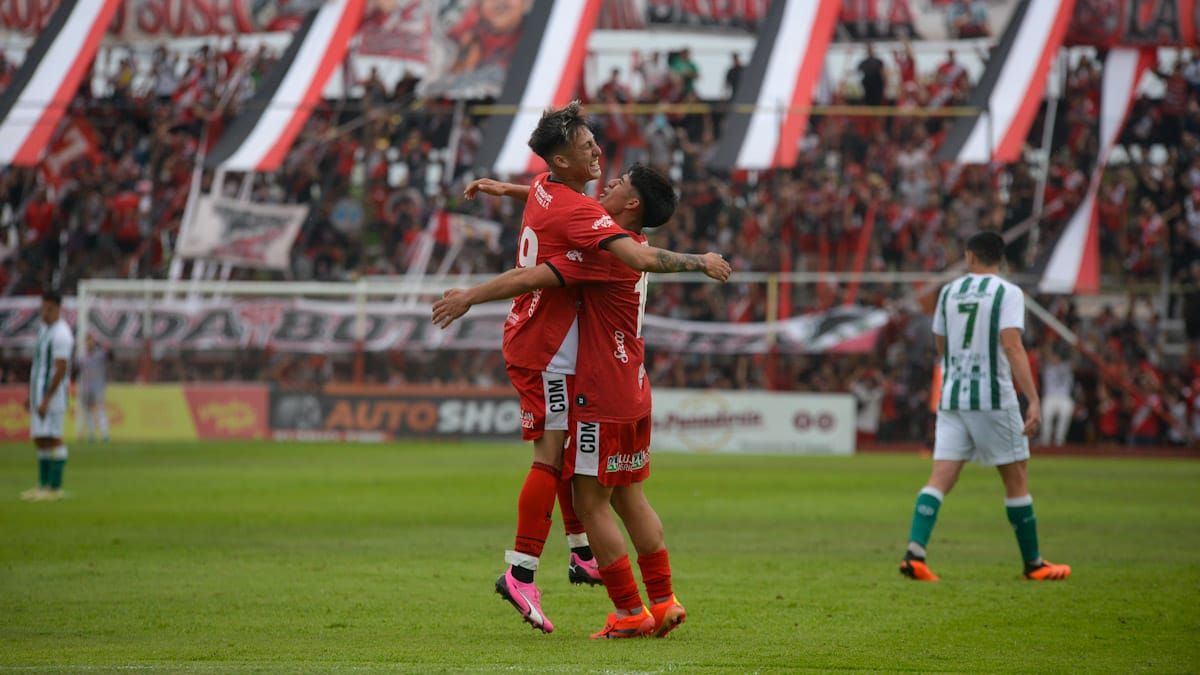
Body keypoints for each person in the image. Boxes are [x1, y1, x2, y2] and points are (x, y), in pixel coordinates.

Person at [459, 102, 729, 634]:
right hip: (636, 387)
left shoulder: (605, 253)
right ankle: (665, 599)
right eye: (590, 151)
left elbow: (532, 275)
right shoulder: (610, 230)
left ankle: (628, 610)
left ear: (627, 203)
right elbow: (560, 204)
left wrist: (701, 261)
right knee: (630, 496)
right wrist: (508, 191)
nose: (604, 175)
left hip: (601, 391)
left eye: (617, 182)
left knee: (589, 498)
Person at [900, 232, 1071, 582]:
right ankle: (1033, 563)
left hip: (953, 396)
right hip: (992, 397)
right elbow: (1011, 345)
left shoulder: (949, 291)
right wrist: (1033, 399)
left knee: (940, 476)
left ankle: (915, 554)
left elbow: (940, 342)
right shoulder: (1007, 292)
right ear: (1000, 258)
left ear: (969, 256)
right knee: (1016, 476)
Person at [20, 291, 74, 502]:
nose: (45, 312)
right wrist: (31, 394)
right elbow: (39, 366)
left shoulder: (62, 335)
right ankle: (42, 486)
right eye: (43, 308)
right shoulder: (44, 329)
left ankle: (55, 487)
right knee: (40, 439)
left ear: (58, 309)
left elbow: (60, 369)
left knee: (54, 437)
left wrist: (45, 399)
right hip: (38, 393)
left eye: (49, 308)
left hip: (54, 396)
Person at [78, 334, 111, 443]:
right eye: (87, 341)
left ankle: (105, 435)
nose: (89, 343)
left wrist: (102, 346)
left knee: (100, 410)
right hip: (86, 388)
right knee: (88, 412)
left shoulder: (100, 355)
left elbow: (111, 356)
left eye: (91, 341)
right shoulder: (82, 357)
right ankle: (91, 434)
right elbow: (76, 370)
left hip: (98, 387)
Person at [1039, 347, 1074, 447]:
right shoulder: (1047, 367)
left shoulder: (1067, 366)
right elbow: (1044, 352)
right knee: (1046, 416)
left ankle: (1059, 441)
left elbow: (1075, 360)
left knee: (1067, 411)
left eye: (1056, 357)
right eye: (1052, 357)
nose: (1054, 359)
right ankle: (1045, 441)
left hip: (1064, 398)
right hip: (1050, 397)